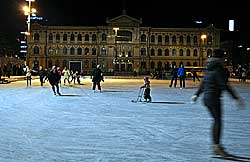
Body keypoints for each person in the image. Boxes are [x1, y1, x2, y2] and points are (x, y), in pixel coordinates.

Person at [191, 49, 244, 157]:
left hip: (206, 98)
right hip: (214, 98)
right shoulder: (218, 69)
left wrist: (196, 94)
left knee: (216, 120)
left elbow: (204, 83)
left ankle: (216, 145)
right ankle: (216, 146)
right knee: (217, 121)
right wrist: (235, 97)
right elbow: (224, 85)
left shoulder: (209, 68)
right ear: (220, 58)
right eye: (223, 58)